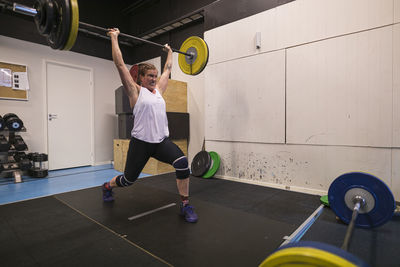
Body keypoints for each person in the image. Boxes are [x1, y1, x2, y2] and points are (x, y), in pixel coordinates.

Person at [102, 28, 198, 223]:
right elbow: (119, 64)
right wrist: (114, 38)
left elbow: (168, 69)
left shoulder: (159, 91)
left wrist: (169, 51)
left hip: (161, 142)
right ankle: (107, 186)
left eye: (155, 76)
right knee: (128, 180)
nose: (154, 79)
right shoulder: (135, 92)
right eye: (150, 76)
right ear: (141, 78)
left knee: (182, 164)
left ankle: (186, 205)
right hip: (141, 144)